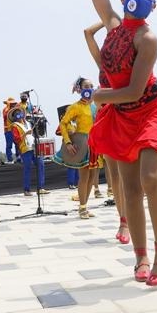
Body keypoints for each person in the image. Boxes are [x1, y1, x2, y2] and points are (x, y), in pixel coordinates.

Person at [88, 0, 157, 286]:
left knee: (151, 178)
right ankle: (140, 256)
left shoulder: (147, 38)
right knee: (129, 189)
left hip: (153, 109)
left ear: (153, 6)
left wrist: (100, 95)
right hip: (123, 115)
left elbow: (135, 90)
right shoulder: (113, 28)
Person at [84, 20, 130, 246]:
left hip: (131, 116)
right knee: (115, 175)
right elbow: (88, 32)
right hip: (109, 119)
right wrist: (110, 20)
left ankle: (133, 215)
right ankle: (123, 221)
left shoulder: (133, 57)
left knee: (133, 174)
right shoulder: (103, 63)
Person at [56, 77, 103, 219]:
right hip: (83, 143)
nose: (89, 88)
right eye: (85, 86)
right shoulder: (75, 106)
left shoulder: (96, 105)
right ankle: (82, 208)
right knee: (84, 176)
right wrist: (68, 142)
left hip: (95, 143)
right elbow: (63, 123)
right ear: (79, 89)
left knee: (93, 177)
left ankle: (85, 206)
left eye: (91, 86)